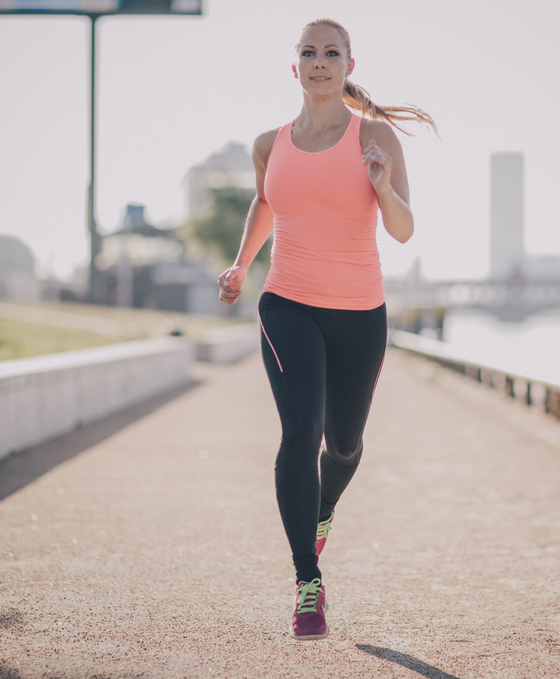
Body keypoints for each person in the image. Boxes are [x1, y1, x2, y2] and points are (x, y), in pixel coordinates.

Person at [217, 17, 436, 641]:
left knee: (343, 447)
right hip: (286, 304)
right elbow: (267, 203)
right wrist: (241, 264)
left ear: (348, 66)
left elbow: (402, 229)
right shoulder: (269, 143)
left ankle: (322, 511)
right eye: (309, 53)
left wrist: (382, 186)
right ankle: (307, 582)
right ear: (295, 67)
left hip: (360, 314)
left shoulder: (376, 138)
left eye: (331, 53)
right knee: (300, 434)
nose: (320, 62)